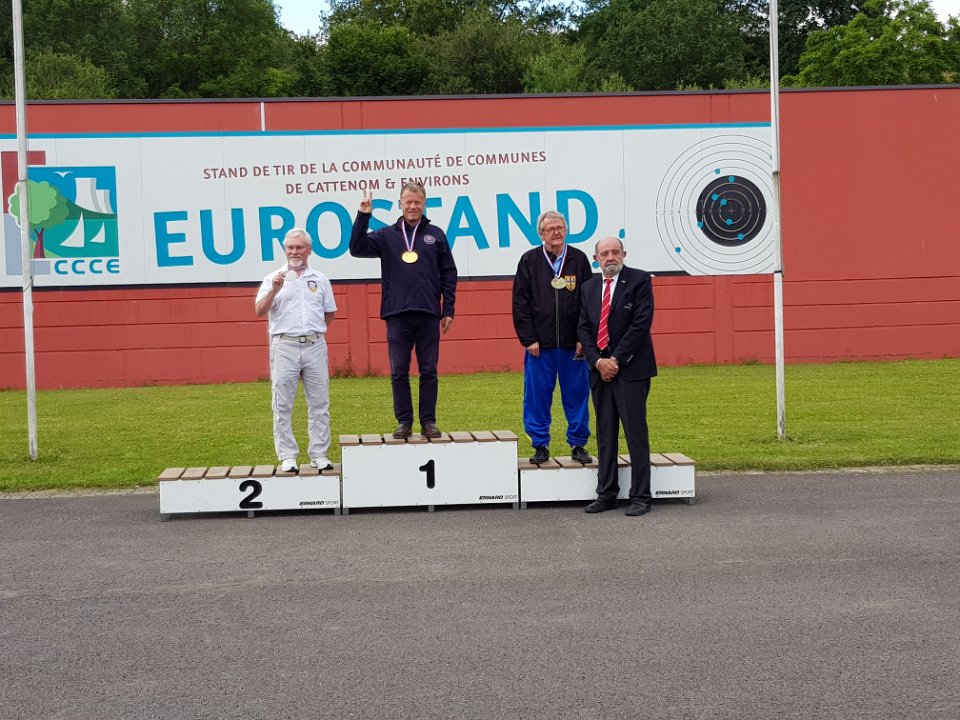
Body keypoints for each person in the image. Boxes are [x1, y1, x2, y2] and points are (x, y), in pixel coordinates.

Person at [349, 182, 457, 439]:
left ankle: (428, 422)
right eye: (408, 202)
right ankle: (404, 421)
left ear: (424, 204)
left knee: (429, 370)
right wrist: (363, 216)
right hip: (397, 314)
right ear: (400, 204)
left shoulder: (436, 235)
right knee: (399, 371)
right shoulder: (387, 235)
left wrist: (448, 309)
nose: (412, 206)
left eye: (417, 202)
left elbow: (448, 273)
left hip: (428, 313)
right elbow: (356, 248)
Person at [578, 236, 657, 516]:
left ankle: (641, 496)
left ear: (624, 254)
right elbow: (584, 328)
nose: (610, 257)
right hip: (599, 372)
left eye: (615, 252)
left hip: (631, 369)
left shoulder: (639, 280)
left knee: (635, 433)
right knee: (605, 434)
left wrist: (615, 360)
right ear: (596, 259)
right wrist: (598, 361)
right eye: (604, 253)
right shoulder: (588, 288)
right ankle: (607, 493)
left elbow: (641, 324)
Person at [512, 211, 594, 465]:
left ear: (566, 231)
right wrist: (529, 339)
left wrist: (584, 338)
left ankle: (578, 444)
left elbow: (589, 302)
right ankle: (540, 445)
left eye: (560, 228)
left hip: (573, 346)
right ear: (541, 234)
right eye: (551, 229)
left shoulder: (579, 259)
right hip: (540, 346)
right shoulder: (529, 260)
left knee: (577, 395)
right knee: (537, 396)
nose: (556, 232)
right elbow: (520, 302)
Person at [255, 228, 338, 473]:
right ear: (285, 250)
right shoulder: (273, 278)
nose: (294, 252)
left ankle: (319, 454)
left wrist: (312, 331)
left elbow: (329, 312)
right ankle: (287, 456)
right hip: (284, 346)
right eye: (290, 248)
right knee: (282, 404)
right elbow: (260, 311)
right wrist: (274, 290)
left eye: (299, 247)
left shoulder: (320, 279)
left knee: (320, 403)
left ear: (309, 250)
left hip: (314, 345)